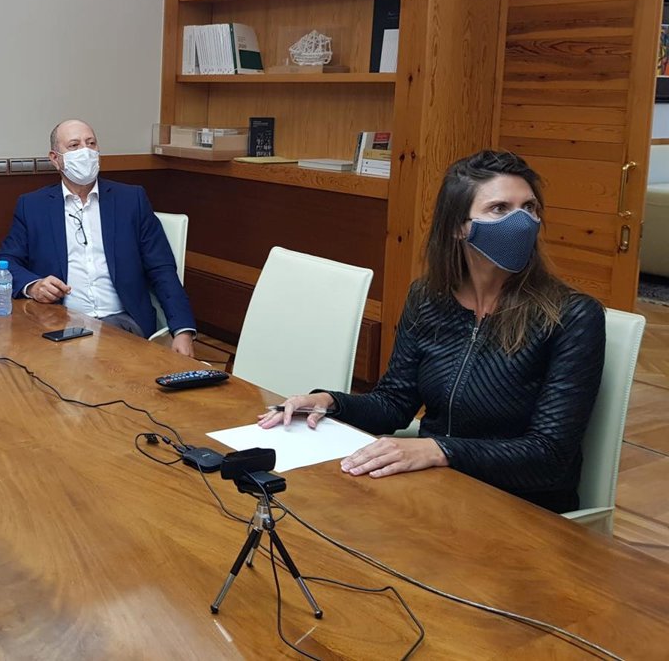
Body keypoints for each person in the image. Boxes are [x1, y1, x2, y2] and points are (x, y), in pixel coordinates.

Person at [257, 150, 605, 513]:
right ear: (457, 226)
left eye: (529, 208)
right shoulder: (428, 298)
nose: (521, 223)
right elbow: (394, 404)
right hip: (437, 488)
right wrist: (330, 402)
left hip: (521, 509)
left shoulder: (572, 315)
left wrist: (440, 449)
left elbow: (549, 456)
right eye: (499, 209)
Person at [0, 119, 197, 357]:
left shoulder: (131, 200)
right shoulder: (33, 206)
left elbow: (162, 268)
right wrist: (34, 286)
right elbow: (3, 263)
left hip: (122, 322)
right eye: (74, 145)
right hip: (59, 322)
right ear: (55, 158)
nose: (86, 151)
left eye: (91, 143)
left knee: (90, 356)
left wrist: (183, 330)